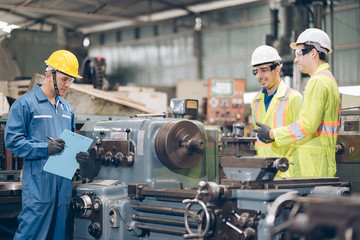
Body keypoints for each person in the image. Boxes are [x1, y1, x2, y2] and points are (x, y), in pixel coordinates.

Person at [5, 50, 90, 240]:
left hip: (63, 182)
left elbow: (68, 142)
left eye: (71, 80)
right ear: (49, 73)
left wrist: (78, 156)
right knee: (31, 232)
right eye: (64, 79)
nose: (67, 84)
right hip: (39, 182)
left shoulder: (67, 109)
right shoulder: (25, 104)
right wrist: (45, 148)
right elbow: (12, 141)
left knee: (59, 233)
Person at [254, 28, 340, 177]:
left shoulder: (317, 82)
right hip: (319, 161)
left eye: (299, 53)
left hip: (312, 165)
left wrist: (272, 134)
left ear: (313, 53)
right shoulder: (328, 80)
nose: (296, 60)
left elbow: (307, 125)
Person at [250, 45, 303, 178]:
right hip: (261, 172)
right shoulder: (256, 100)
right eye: (256, 71)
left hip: (285, 172)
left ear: (277, 69)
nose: (259, 76)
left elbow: (301, 135)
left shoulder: (293, 98)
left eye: (264, 70)